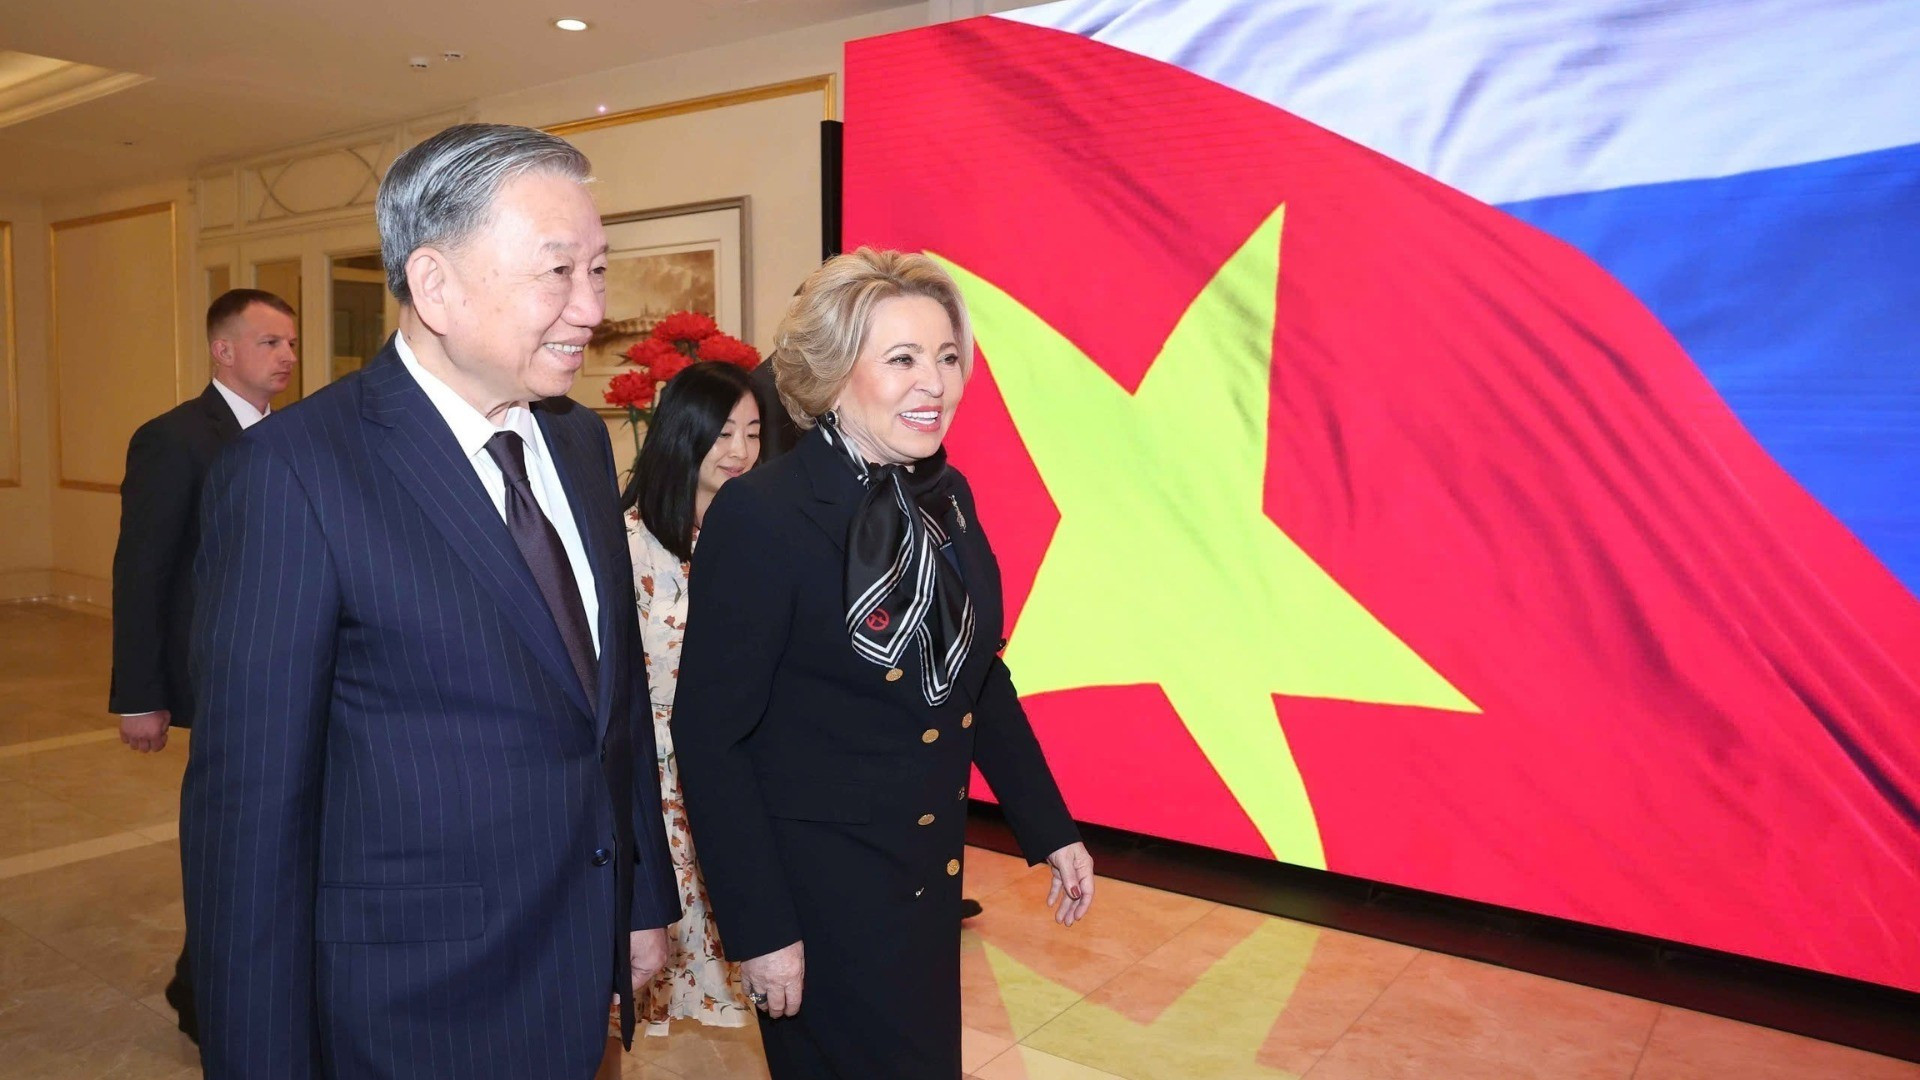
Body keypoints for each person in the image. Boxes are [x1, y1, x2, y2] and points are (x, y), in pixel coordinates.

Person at [181, 123, 678, 1079]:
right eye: (559, 273)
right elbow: (247, 826)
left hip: (576, 964)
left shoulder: (577, 444)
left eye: (601, 271)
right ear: (437, 284)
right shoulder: (294, 474)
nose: (592, 308)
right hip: (410, 1009)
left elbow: (605, 716)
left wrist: (640, 900)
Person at [672, 249, 1096, 1078]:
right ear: (834, 376)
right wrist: (762, 930)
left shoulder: (950, 498)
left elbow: (978, 672)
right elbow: (709, 737)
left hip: (922, 883)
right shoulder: (764, 514)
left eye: (945, 358)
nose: (932, 383)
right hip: (818, 899)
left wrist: (1049, 828)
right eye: (901, 359)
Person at [107, 285, 296, 1042]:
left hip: (282, 672)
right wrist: (140, 694)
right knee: (227, 838)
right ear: (224, 350)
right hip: (216, 678)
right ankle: (202, 992)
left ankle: (211, 978)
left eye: (289, 343)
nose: (286, 356)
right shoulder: (174, 437)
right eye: (269, 343)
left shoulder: (294, 435)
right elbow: (142, 570)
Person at [622, 361, 761, 1033]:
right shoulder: (627, 543)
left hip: (735, 766)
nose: (740, 450)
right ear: (685, 435)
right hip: (653, 774)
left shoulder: (758, 538)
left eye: (753, 432)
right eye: (725, 432)